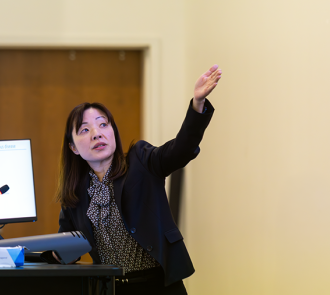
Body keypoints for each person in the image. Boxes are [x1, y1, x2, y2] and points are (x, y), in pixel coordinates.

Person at [54, 65, 222, 294]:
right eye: (84, 130)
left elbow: (181, 149)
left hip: (159, 285)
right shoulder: (74, 193)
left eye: (103, 124)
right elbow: (66, 250)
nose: (97, 133)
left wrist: (197, 104)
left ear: (113, 131)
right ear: (73, 147)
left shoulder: (140, 160)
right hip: (111, 288)